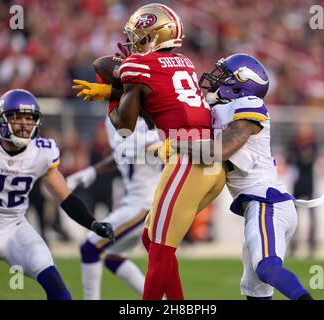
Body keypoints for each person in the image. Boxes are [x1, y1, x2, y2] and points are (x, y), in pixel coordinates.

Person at [73, 3, 226, 300]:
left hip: (187, 161)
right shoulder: (184, 63)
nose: (132, 43)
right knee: (150, 239)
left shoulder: (137, 67)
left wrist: (112, 99)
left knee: (159, 248)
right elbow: (159, 106)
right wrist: (118, 89)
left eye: (138, 35)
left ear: (154, 35)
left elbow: (125, 128)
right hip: (208, 160)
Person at [0, 89, 114, 300]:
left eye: (29, 118)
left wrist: (93, 223)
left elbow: (65, 197)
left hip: (16, 228)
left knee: (54, 283)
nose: (24, 123)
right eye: (17, 117)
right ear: (3, 120)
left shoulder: (41, 151)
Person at [198, 53, 319, 300]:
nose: (218, 79)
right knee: (255, 291)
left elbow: (221, 150)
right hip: (262, 205)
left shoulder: (249, 104)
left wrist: (176, 144)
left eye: (226, 75)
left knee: (267, 268)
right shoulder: (223, 107)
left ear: (241, 83)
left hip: (267, 203)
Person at [66, 117, 162, 300]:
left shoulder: (149, 119)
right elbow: (122, 155)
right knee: (114, 258)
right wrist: (91, 172)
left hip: (145, 204)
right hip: (136, 202)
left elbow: (154, 149)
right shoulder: (114, 118)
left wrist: (140, 145)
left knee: (89, 248)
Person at [287, 123, 318, 258]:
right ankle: (294, 244)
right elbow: (289, 160)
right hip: (297, 182)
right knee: (294, 216)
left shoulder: (313, 144)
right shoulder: (294, 143)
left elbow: (312, 159)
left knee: (312, 215)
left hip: (309, 182)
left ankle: (312, 244)